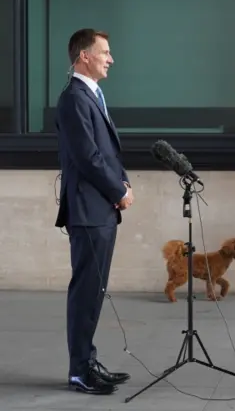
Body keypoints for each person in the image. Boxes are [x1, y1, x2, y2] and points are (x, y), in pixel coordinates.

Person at [55, 28, 132, 395]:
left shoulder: (93, 95)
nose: (111, 59)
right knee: (87, 290)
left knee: (95, 289)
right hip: (88, 209)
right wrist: (118, 190)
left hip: (101, 207)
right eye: (105, 52)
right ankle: (80, 371)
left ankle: (87, 362)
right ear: (84, 56)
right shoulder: (73, 98)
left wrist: (123, 184)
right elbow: (88, 156)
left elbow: (108, 151)